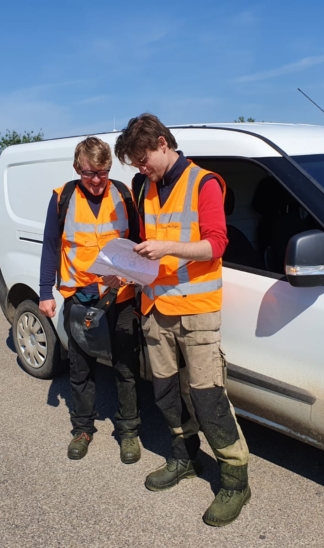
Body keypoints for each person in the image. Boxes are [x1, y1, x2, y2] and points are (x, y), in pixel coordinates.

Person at [114, 114, 251, 527]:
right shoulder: (146, 187)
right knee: (166, 394)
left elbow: (217, 243)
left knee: (208, 396)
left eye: (142, 159)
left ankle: (235, 480)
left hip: (196, 312)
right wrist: (131, 269)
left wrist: (166, 247)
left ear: (161, 143)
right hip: (156, 308)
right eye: (135, 163)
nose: (140, 168)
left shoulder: (204, 182)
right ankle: (184, 457)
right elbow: (148, 249)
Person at [39, 136, 141, 464]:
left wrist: (134, 277)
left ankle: (128, 432)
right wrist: (45, 293)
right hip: (80, 299)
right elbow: (51, 247)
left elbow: (138, 245)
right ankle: (82, 429)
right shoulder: (62, 198)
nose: (97, 181)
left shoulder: (124, 195)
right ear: (76, 168)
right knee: (81, 368)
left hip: (121, 297)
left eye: (103, 172)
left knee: (126, 366)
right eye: (89, 174)